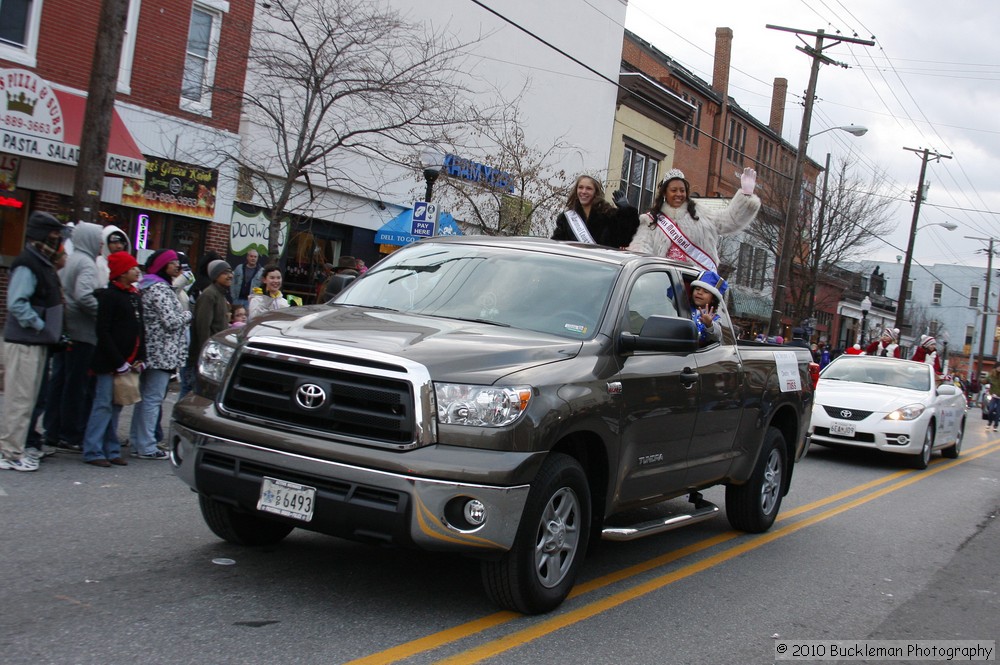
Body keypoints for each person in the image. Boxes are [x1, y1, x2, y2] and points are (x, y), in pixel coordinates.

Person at [0, 212, 66, 472]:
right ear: (41, 235)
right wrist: (40, 326)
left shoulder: (40, 262)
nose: (57, 241)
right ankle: (9, 451)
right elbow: (17, 302)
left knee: (28, 399)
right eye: (53, 235)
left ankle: (16, 447)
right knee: (20, 399)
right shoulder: (28, 263)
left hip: (36, 342)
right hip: (26, 341)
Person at [43, 221, 105, 456]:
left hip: (68, 331)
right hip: (83, 333)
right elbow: (84, 296)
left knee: (60, 382)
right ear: (89, 239)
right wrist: (102, 314)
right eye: (98, 239)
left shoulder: (71, 259)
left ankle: (53, 430)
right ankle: (71, 433)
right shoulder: (87, 264)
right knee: (76, 387)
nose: (101, 244)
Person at [82, 251, 145, 468]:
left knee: (116, 405)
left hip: (128, 361)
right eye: (132, 268)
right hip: (109, 361)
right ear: (120, 273)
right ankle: (93, 449)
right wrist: (118, 360)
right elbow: (103, 330)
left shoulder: (135, 296)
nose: (137, 271)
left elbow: (140, 329)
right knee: (102, 405)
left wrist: (140, 356)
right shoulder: (109, 296)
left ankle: (111, 448)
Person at [628, 168, 760, 271]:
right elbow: (640, 251)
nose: (679, 194)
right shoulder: (651, 221)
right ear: (664, 193)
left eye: (682, 190)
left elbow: (729, 221)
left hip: (697, 287)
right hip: (663, 284)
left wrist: (746, 195)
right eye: (674, 190)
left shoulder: (701, 214)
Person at [129, 249, 191, 460]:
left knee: (145, 399)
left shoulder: (148, 286)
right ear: (163, 266)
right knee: (152, 400)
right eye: (173, 263)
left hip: (154, 350)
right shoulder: (159, 289)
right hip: (161, 352)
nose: (178, 266)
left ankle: (139, 442)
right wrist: (187, 314)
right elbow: (171, 321)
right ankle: (146, 445)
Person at [551, 175, 639, 248]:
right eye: (580, 187)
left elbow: (625, 239)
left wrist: (627, 211)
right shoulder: (567, 218)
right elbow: (557, 245)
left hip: (603, 266)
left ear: (595, 192)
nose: (583, 191)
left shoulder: (609, 215)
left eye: (588, 188)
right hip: (574, 266)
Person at [189, 259, 234, 392]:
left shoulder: (221, 295)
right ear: (215, 276)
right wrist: (206, 354)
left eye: (230, 272)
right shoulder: (209, 295)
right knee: (192, 391)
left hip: (214, 354)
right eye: (225, 273)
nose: (230, 275)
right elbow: (203, 327)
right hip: (204, 356)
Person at [689, 270, 728, 346]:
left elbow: (717, 336)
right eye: (697, 289)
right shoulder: (683, 306)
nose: (699, 292)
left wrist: (709, 325)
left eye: (705, 291)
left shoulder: (715, 318)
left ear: (713, 299)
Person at [985, 366, 1000, 432]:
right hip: (993, 396)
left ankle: (995, 425)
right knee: (990, 410)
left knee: (998, 412)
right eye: (998, 367)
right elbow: (986, 380)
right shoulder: (992, 375)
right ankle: (989, 423)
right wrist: (981, 381)